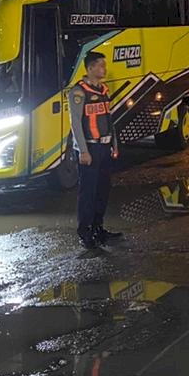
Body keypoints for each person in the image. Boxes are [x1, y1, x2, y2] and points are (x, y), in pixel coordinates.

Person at [68, 50, 123, 252]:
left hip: (104, 147)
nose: (104, 69)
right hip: (89, 148)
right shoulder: (78, 92)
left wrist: (114, 144)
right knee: (88, 193)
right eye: (100, 65)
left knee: (102, 191)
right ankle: (85, 233)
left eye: (104, 65)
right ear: (90, 68)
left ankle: (98, 228)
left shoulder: (103, 90)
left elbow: (109, 120)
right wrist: (83, 151)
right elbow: (75, 123)